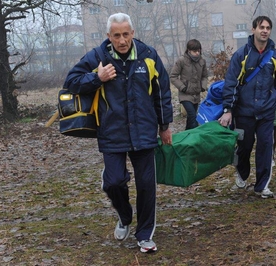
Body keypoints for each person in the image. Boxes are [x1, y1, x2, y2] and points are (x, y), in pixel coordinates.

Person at [63, 13, 173, 253]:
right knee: (114, 182)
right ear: (108, 36)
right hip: (112, 132)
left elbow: (162, 93)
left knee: (146, 186)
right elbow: (71, 81)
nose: (121, 40)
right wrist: (97, 78)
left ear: (132, 33)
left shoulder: (149, 56)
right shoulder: (98, 56)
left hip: (144, 131)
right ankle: (124, 216)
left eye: (125, 34)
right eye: (116, 35)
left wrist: (164, 126)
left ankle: (144, 235)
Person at [218, 16, 276, 199]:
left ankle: (261, 185)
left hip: (266, 112)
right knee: (244, 147)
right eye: (261, 27)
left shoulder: (275, 56)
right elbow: (231, 83)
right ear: (253, 29)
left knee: (265, 146)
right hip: (244, 112)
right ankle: (242, 174)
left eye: (268, 28)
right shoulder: (241, 55)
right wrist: (228, 110)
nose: (265, 30)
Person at [170, 39, 208, 130]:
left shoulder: (202, 61)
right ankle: (196, 135)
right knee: (192, 116)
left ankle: (186, 135)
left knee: (191, 118)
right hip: (185, 95)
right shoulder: (182, 61)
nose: (197, 53)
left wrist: (203, 86)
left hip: (196, 94)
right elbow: (173, 76)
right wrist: (182, 87)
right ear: (189, 50)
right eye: (195, 51)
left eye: (199, 51)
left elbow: (205, 76)